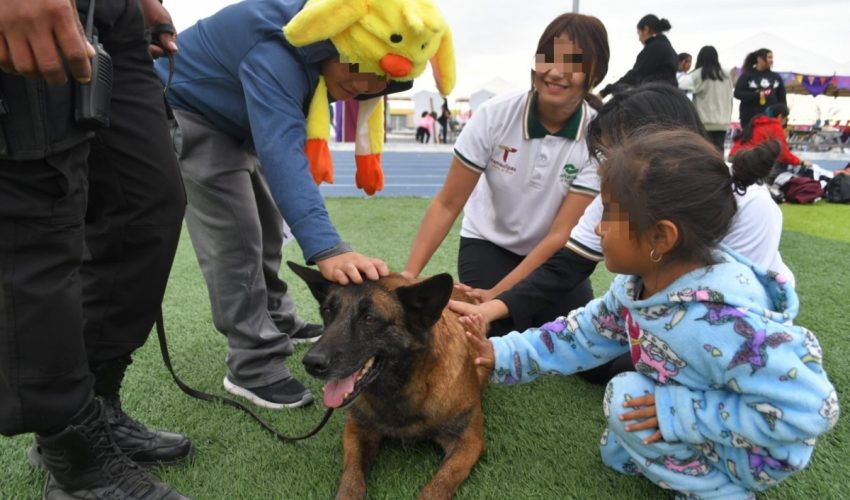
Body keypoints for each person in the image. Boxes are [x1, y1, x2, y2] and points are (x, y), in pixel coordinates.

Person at [462, 130, 839, 500]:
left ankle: (718, 491)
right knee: (622, 433)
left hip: (758, 450)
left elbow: (811, 409)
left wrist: (679, 413)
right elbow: (580, 335)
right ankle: (668, 449)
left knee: (626, 398)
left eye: (609, 215)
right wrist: (502, 353)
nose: (598, 227)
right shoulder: (638, 286)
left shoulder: (722, 322)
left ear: (661, 237)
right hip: (701, 405)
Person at [154, 0, 440, 410]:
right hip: (192, 110)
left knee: (269, 227)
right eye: (359, 69)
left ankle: (277, 319)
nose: (366, 85)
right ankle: (251, 365)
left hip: (241, 117)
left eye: (381, 79)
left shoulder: (345, 56)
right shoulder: (278, 48)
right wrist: (327, 247)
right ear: (338, 38)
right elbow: (281, 149)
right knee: (236, 239)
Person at [451, 83, 795, 383]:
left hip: (731, 327)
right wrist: (493, 310)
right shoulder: (622, 189)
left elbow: (732, 331)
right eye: (604, 155)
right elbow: (569, 272)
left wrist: (680, 408)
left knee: (648, 370)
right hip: (664, 312)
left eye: (614, 152)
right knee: (605, 368)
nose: (605, 167)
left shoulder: (751, 208)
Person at [0, 0, 193, 497]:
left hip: (113, 14)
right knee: (41, 214)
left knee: (147, 202)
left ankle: (100, 404)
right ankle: (73, 454)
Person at [403, 12, 610, 337]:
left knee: (574, 335)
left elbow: (559, 235)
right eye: (549, 58)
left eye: (573, 64)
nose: (556, 72)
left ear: (594, 74)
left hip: (552, 253)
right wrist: (407, 277)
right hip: (488, 241)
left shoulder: (598, 136)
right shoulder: (495, 115)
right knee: (493, 330)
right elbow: (448, 203)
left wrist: (498, 295)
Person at [599, 14, 677, 98]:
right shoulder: (669, 48)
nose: (639, 39)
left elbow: (634, 76)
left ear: (646, 30)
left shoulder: (654, 48)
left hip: (657, 93)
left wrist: (605, 91)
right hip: (674, 92)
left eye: (639, 33)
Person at [729, 103, 811, 175]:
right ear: (780, 116)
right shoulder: (775, 126)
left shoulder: (759, 122)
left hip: (734, 157)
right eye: (786, 119)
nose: (786, 122)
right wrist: (801, 162)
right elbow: (783, 154)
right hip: (746, 160)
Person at [679, 45, 733, 152]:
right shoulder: (726, 75)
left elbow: (680, 85)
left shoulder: (698, 74)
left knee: (704, 152)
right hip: (723, 122)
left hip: (704, 122)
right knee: (718, 152)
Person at [734, 48, 786, 127]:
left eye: (772, 58)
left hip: (770, 119)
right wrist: (757, 95)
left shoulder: (776, 77)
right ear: (759, 59)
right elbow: (737, 93)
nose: (771, 60)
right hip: (750, 118)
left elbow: (782, 99)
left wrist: (784, 116)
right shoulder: (747, 75)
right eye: (769, 57)